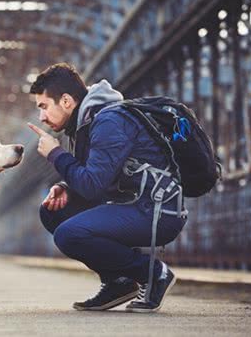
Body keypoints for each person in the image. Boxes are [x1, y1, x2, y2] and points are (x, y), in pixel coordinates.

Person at [27, 62, 187, 313]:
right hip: (132, 203)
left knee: (69, 234)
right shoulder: (85, 123)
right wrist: (65, 186)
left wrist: (56, 154)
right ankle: (118, 283)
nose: (41, 116)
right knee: (53, 211)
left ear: (66, 101)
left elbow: (93, 186)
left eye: (44, 106)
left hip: (155, 210)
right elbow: (98, 176)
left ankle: (154, 274)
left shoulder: (109, 121)